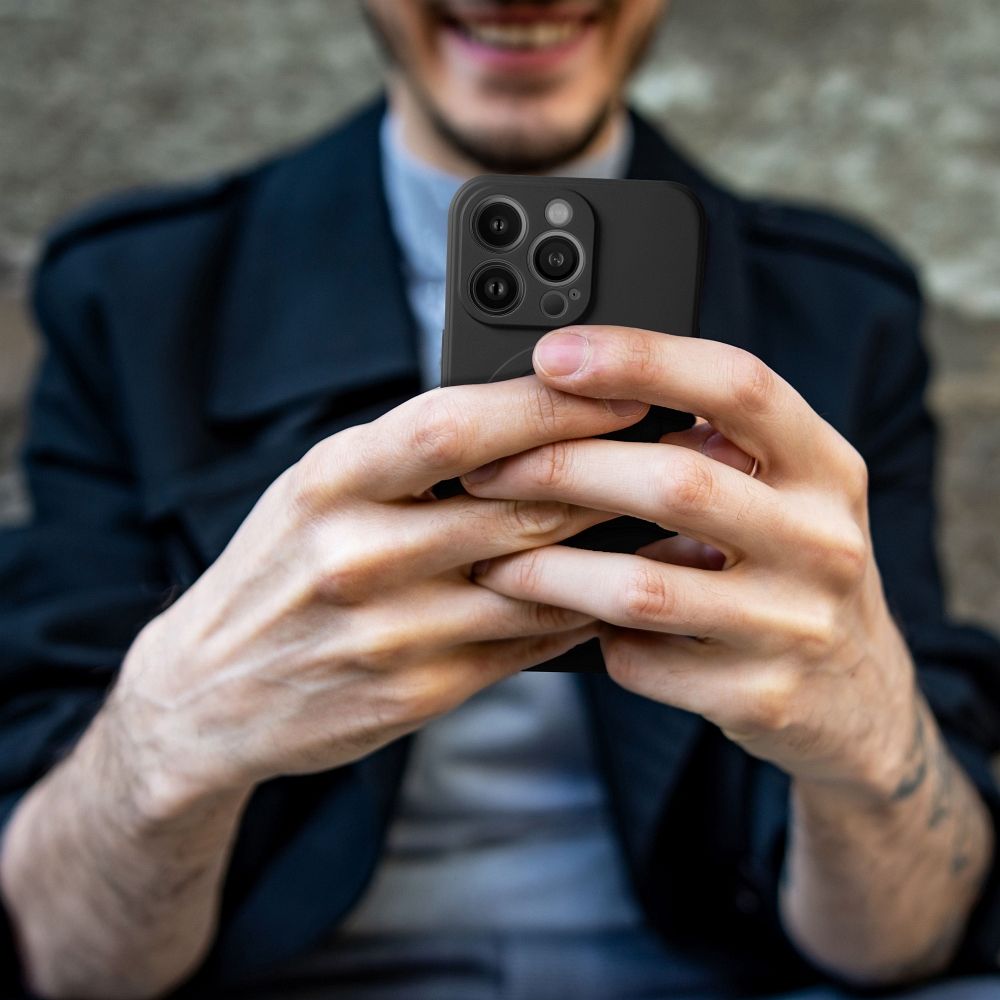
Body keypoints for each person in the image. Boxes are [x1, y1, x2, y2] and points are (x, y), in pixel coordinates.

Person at [1, 1, 999, 997]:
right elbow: (70, 962)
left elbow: (903, 943)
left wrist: (869, 747)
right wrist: (167, 733)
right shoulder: (133, 295)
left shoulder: (841, 309)